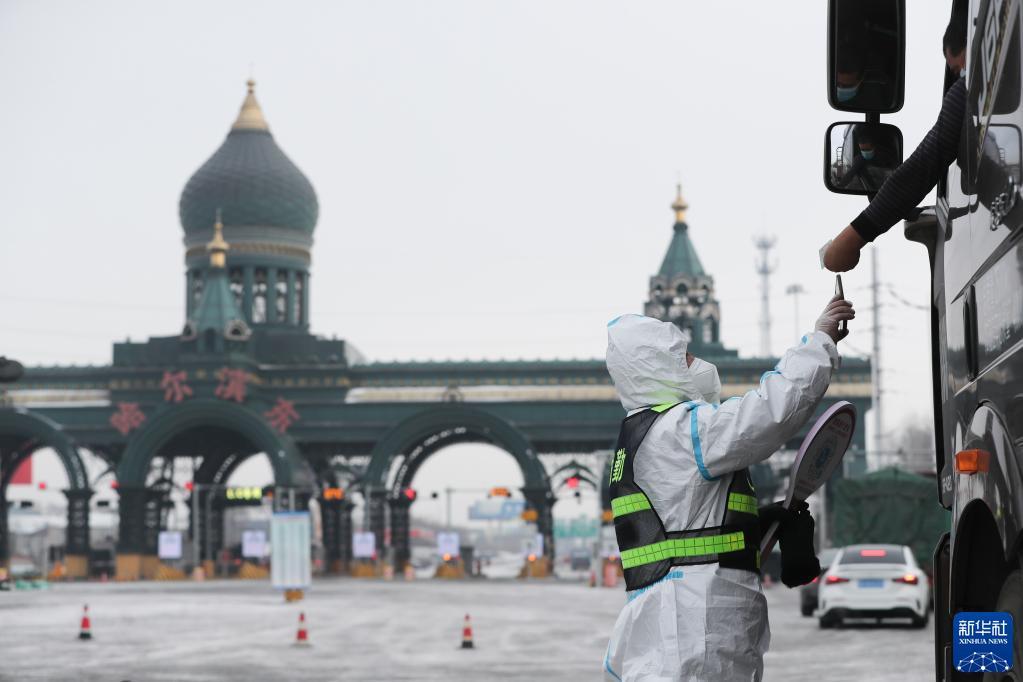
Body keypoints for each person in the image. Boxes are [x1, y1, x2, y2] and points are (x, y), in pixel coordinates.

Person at [601, 294, 854, 681]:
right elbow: (770, 413)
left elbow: (684, 528)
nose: (695, 364)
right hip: (695, 624)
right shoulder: (680, 429)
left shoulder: (640, 434)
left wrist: (751, 526)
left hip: (670, 618)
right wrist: (820, 343)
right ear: (657, 367)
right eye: (683, 357)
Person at [823, 16, 967, 272]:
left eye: (959, 71)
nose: (962, 82)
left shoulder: (966, 94)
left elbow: (924, 164)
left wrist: (854, 236)